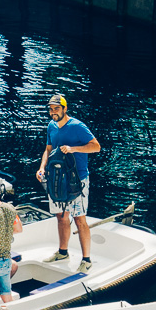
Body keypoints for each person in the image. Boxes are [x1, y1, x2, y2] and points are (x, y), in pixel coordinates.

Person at [36, 94, 101, 274]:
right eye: (50, 109)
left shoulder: (77, 126)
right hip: (57, 178)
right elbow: (48, 149)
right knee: (61, 216)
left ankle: (86, 259)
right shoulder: (51, 126)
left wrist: (73, 149)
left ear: (65, 109)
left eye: (56, 108)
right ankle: (63, 252)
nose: (53, 112)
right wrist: (42, 168)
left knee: (80, 219)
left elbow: (96, 146)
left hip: (77, 180)